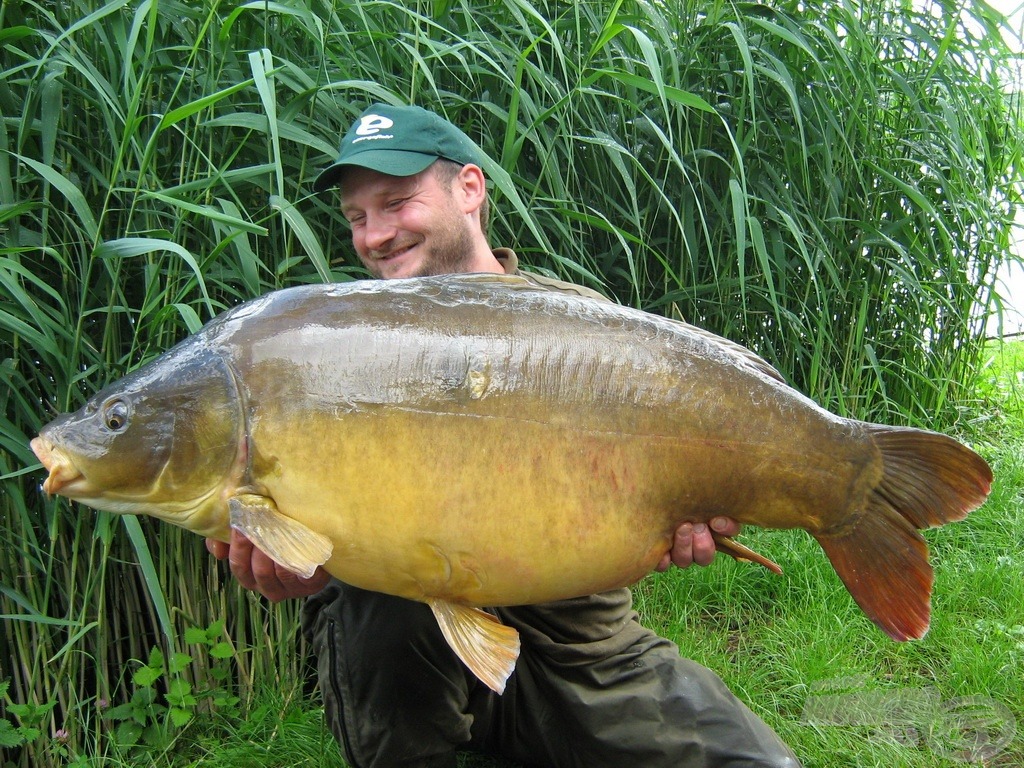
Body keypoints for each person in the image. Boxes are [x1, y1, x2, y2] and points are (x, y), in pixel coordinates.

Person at [208, 103, 801, 768]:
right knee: (385, 591)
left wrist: (681, 517)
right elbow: (291, 530)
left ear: (469, 188)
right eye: (356, 217)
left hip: (579, 645)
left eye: (396, 202)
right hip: (411, 649)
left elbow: (646, 504)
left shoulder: (578, 324)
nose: (374, 235)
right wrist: (297, 565)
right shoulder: (333, 346)